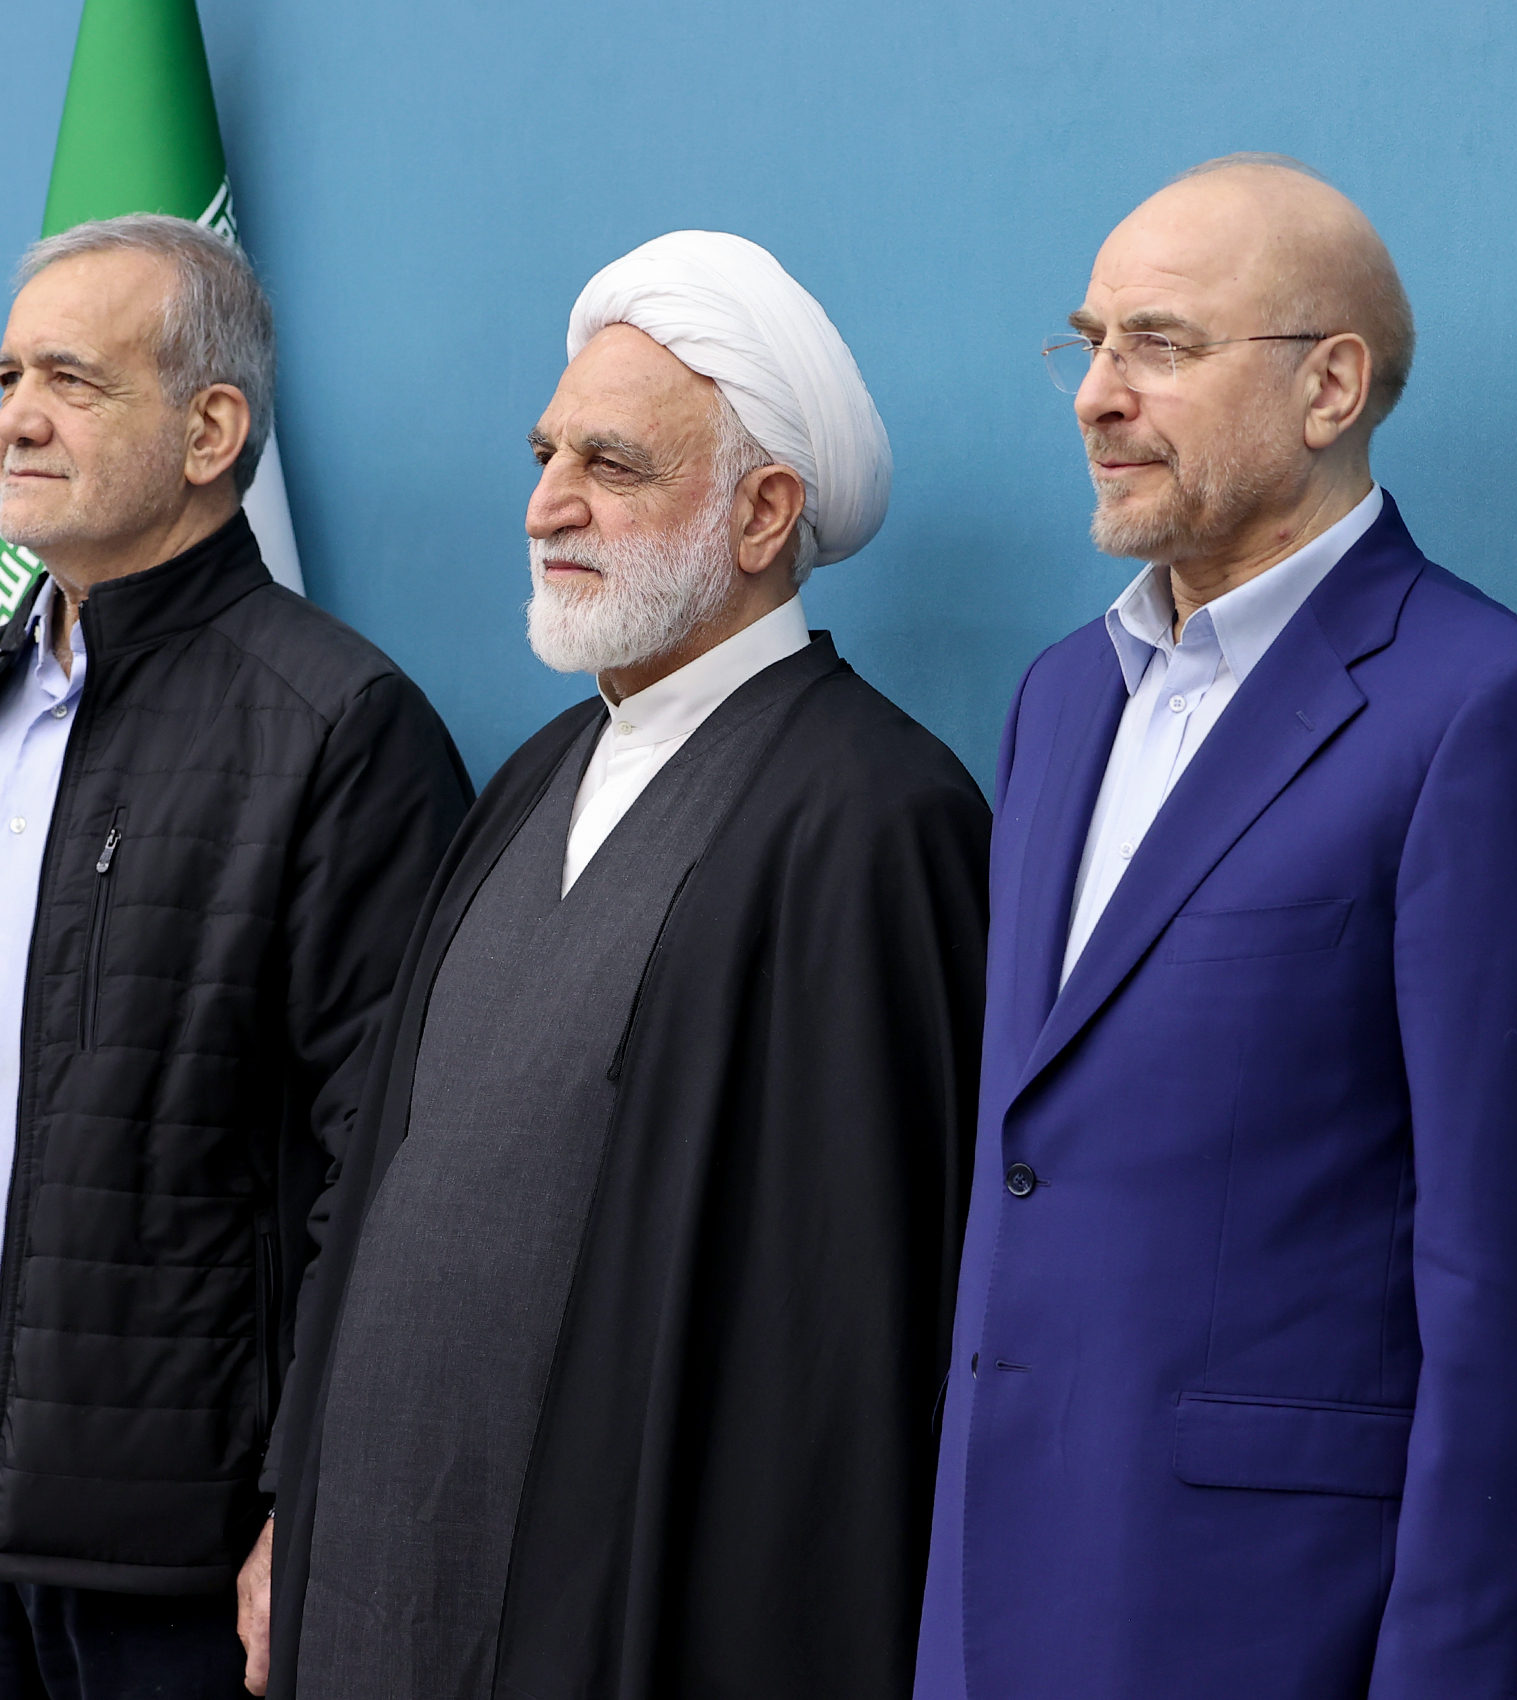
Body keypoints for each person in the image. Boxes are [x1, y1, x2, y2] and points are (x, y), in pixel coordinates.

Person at [914, 156, 1517, 1700]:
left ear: (1329, 386)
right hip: (999, 1611)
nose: (1095, 395)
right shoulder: (1060, 699)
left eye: (1159, 345)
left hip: (1278, 1629)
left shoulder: (1490, 716)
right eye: (1088, 343)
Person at [249, 231, 991, 1700]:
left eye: (612, 464)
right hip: (377, 1589)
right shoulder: (534, 776)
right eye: (545, 456)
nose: (548, 504)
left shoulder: (879, 817)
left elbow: (853, 1336)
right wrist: (294, 1510)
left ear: (762, 512)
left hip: (643, 1617)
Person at [0, 213, 471, 1700]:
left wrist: (308, 1503)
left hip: (183, 1513)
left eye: (74, 381)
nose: (18, 417)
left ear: (211, 431)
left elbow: (388, 1169)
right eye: (8, 377)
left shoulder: (339, 727)